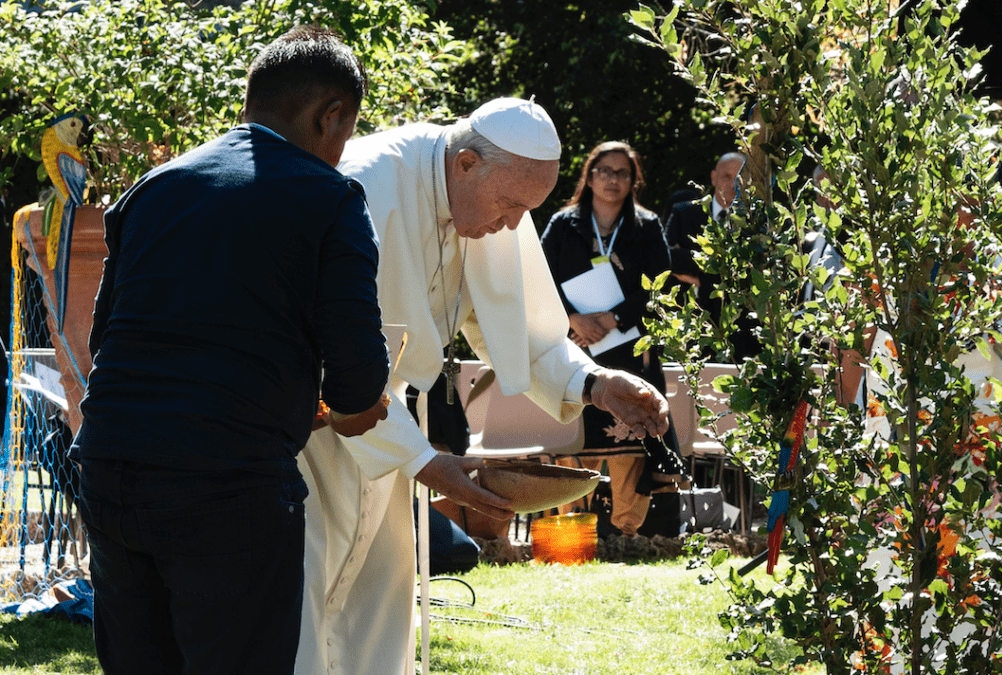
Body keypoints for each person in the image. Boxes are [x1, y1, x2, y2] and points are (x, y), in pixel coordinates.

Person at [296, 97, 671, 675]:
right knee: (306, 596)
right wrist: (420, 458)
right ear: (467, 163)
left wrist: (595, 382)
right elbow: (328, 356)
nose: (516, 224)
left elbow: (526, 329)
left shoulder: (492, 193)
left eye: (530, 208)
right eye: (512, 206)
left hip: (393, 424)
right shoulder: (362, 185)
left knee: (379, 604)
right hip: (318, 428)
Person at [69, 26, 391, 675]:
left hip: (110, 471)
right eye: (346, 134)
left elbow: (109, 340)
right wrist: (353, 407)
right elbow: (358, 378)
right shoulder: (330, 198)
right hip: (226, 488)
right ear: (330, 116)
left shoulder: (152, 188)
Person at [539, 140, 685, 536]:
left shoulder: (647, 225)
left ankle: (635, 532)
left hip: (630, 349)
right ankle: (570, 530)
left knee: (635, 437)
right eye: (605, 170)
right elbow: (538, 278)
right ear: (589, 175)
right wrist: (571, 318)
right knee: (575, 437)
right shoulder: (563, 224)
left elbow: (661, 285)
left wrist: (615, 315)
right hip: (576, 347)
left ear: (633, 180)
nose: (612, 179)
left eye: (622, 172)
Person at [664, 151, 761, 362]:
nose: (733, 185)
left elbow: (753, 275)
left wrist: (700, 278)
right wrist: (722, 267)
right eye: (727, 177)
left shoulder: (759, 223)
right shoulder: (684, 213)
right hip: (692, 328)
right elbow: (664, 257)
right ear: (713, 177)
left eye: (740, 179)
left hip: (743, 336)